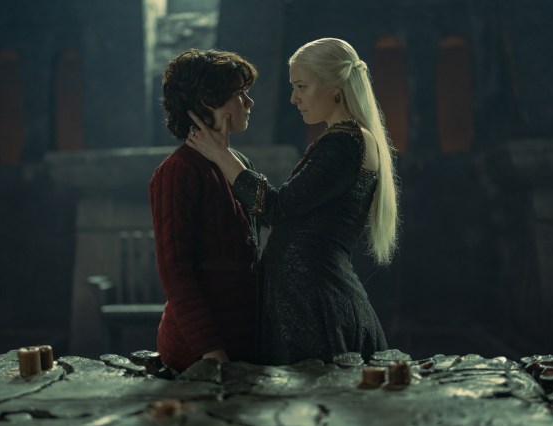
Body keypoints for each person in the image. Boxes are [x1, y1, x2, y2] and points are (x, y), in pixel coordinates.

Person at [186, 38, 399, 365]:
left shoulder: (344, 142)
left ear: (335, 87)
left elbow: (276, 209)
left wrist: (220, 154)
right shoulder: (346, 139)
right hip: (309, 300)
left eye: (301, 86)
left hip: (315, 307)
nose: (293, 98)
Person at [149, 48, 260, 372]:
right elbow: (176, 272)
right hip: (200, 353)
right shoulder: (178, 170)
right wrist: (211, 351)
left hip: (245, 345)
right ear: (209, 102)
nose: (249, 103)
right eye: (240, 94)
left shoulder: (238, 164)